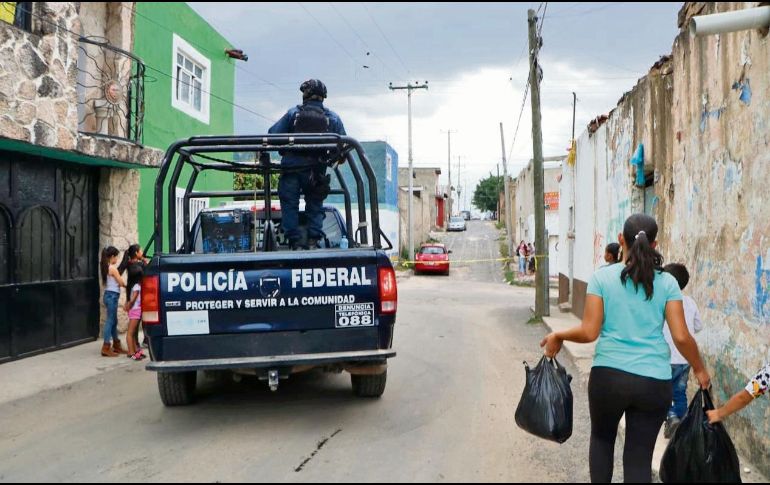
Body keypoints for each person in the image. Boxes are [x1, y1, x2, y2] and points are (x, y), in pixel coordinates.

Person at [540, 214, 710, 483]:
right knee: (638, 457)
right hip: (653, 382)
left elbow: (589, 331)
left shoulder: (602, 278)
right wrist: (700, 370)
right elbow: (681, 336)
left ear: (621, 240)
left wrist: (559, 334)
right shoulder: (667, 283)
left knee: (602, 441)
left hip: (609, 378)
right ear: (655, 245)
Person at [268, 79, 347, 250]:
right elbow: (344, 147)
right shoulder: (332, 118)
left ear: (306, 94)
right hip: (316, 172)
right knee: (315, 205)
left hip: (291, 170)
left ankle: (294, 242)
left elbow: (272, 135)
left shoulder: (293, 114)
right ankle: (313, 241)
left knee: (289, 205)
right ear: (323, 97)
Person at [661, 263, 703, 438]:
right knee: (680, 391)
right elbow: (698, 326)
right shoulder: (690, 302)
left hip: (666, 356)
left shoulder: (662, 301)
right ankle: (684, 423)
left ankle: (671, 417)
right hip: (685, 359)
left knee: (664, 391)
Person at [99, 247, 127, 357]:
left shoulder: (106, 267)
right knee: (110, 321)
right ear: (112, 257)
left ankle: (116, 344)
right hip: (112, 297)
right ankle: (106, 347)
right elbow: (120, 282)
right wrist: (126, 285)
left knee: (114, 321)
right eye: (117, 257)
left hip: (109, 296)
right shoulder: (113, 269)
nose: (117, 259)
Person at [124, 263, 145, 361]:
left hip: (135, 310)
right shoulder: (137, 286)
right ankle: (131, 353)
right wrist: (129, 305)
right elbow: (133, 299)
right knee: (130, 333)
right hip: (135, 311)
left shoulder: (132, 285)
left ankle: (135, 351)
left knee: (132, 333)